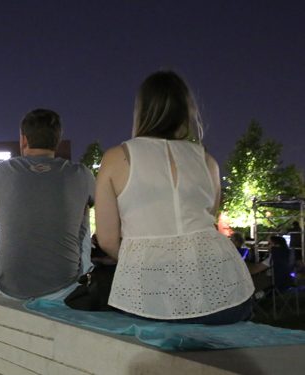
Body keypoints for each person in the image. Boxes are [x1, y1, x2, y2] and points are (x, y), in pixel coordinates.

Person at [95, 70, 254, 324]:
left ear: (142, 111)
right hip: (223, 286)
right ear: (186, 111)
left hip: (149, 296)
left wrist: (144, 257)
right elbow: (209, 218)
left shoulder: (116, 158)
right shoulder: (207, 160)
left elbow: (107, 240)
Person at [0, 108, 95, 300]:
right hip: (64, 285)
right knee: (83, 204)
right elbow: (95, 200)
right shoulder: (81, 173)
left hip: (6, 285)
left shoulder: (1, 170)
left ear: (24, 139)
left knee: (3, 198)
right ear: (57, 140)